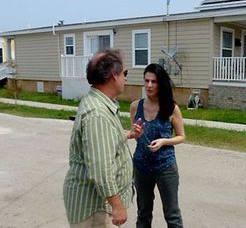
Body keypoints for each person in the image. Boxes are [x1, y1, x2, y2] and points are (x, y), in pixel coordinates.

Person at [63, 49, 143, 227]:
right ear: (114, 75)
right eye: (125, 73)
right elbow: (101, 169)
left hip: (98, 204)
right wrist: (117, 205)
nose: (126, 78)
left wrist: (128, 134)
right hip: (95, 208)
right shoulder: (98, 114)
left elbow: (102, 143)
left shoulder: (99, 103)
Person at [130, 63, 185, 228]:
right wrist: (135, 134)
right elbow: (135, 136)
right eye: (146, 81)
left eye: (154, 81)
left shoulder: (171, 108)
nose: (149, 85)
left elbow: (181, 136)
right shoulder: (135, 106)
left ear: (161, 83)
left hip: (165, 167)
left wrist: (164, 141)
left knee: (172, 215)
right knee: (143, 214)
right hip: (141, 167)